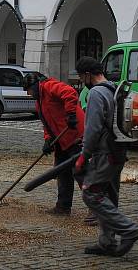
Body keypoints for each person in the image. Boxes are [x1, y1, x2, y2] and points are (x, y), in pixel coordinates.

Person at [74, 56, 138, 257]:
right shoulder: (115, 89)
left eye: (80, 76)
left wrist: (83, 155)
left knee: (91, 193)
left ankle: (129, 230)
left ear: (87, 74)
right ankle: (107, 243)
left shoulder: (96, 93)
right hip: (118, 151)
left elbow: (93, 128)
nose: (80, 80)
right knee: (110, 197)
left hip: (103, 154)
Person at [22, 72, 84, 216]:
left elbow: (70, 92)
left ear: (35, 85)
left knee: (81, 172)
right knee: (62, 173)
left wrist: (71, 114)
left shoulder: (49, 86)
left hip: (75, 136)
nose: (29, 94)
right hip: (61, 141)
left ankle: (96, 209)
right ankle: (63, 207)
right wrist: (48, 139)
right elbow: (46, 124)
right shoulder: (39, 102)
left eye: (29, 90)